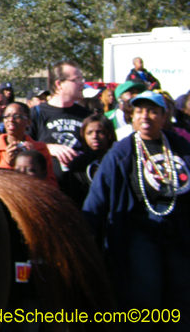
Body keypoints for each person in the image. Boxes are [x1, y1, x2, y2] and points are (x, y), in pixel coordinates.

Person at [83, 91, 190, 324]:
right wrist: (82, 233)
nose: (145, 116)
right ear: (131, 116)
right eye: (139, 111)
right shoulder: (122, 151)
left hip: (178, 235)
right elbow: (98, 197)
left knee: (180, 301)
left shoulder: (181, 146)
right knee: (144, 300)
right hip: (139, 235)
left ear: (164, 115)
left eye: (152, 111)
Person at [29, 60, 92, 181]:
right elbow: (24, 145)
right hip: (48, 188)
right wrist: (47, 147)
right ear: (59, 84)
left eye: (82, 79)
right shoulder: (36, 113)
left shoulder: (86, 115)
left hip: (80, 189)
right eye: (76, 80)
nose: (82, 84)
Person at [0, 102, 58, 188]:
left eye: (17, 116)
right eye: (7, 116)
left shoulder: (40, 148)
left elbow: (52, 185)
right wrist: (7, 163)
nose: (11, 119)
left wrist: (35, 160)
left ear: (28, 122)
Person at [65, 114, 115, 206]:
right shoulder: (78, 165)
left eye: (100, 132)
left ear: (109, 134)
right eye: (89, 133)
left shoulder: (118, 160)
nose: (94, 136)